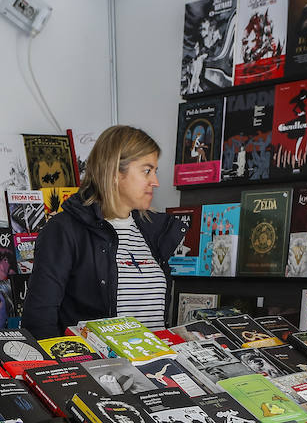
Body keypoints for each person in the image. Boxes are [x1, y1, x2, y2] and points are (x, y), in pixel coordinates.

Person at [22, 125, 186, 338]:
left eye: (155, 171)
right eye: (147, 171)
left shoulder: (154, 231)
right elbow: (39, 320)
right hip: (98, 368)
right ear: (115, 172)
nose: (155, 182)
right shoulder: (64, 230)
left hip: (154, 367)